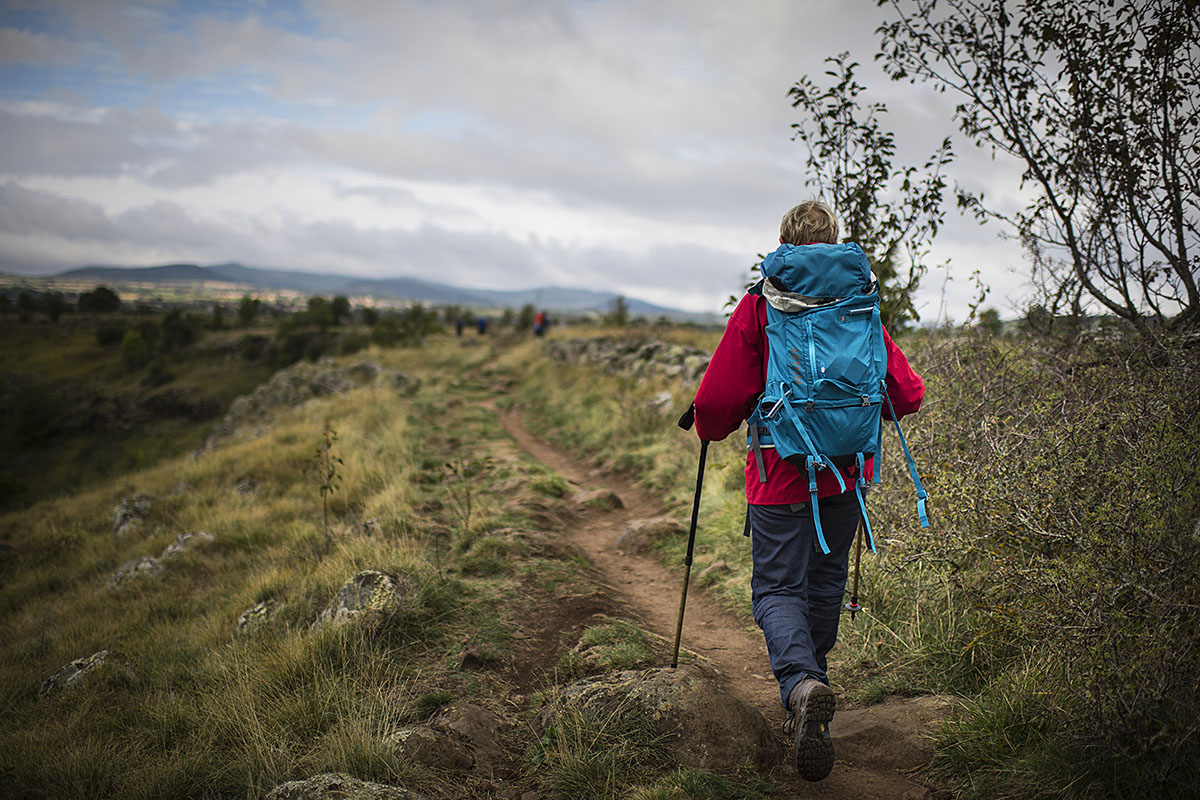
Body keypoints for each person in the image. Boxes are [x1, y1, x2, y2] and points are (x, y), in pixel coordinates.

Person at [691, 200, 925, 781]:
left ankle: (800, 687)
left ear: (784, 244)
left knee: (775, 589)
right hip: (844, 475)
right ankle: (811, 693)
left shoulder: (761, 306)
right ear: (834, 241)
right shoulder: (859, 306)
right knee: (824, 584)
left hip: (778, 475)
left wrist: (707, 425)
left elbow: (718, 404)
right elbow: (907, 394)